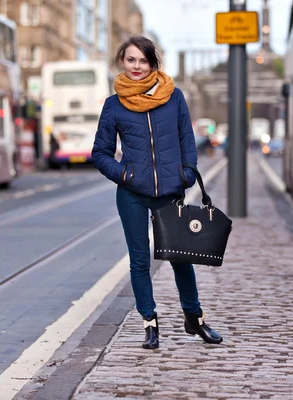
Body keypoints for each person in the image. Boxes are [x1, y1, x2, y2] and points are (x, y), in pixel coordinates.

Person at [92, 36, 222, 350]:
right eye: (130, 60)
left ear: (153, 63)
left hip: (169, 192)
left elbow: (187, 141)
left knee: (181, 258)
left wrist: (187, 173)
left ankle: (195, 317)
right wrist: (125, 175)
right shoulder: (113, 105)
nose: (136, 66)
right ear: (122, 62)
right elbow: (101, 153)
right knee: (139, 262)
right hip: (132, 195)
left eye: (142, 60)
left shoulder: (174, 97)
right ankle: (150, 323)